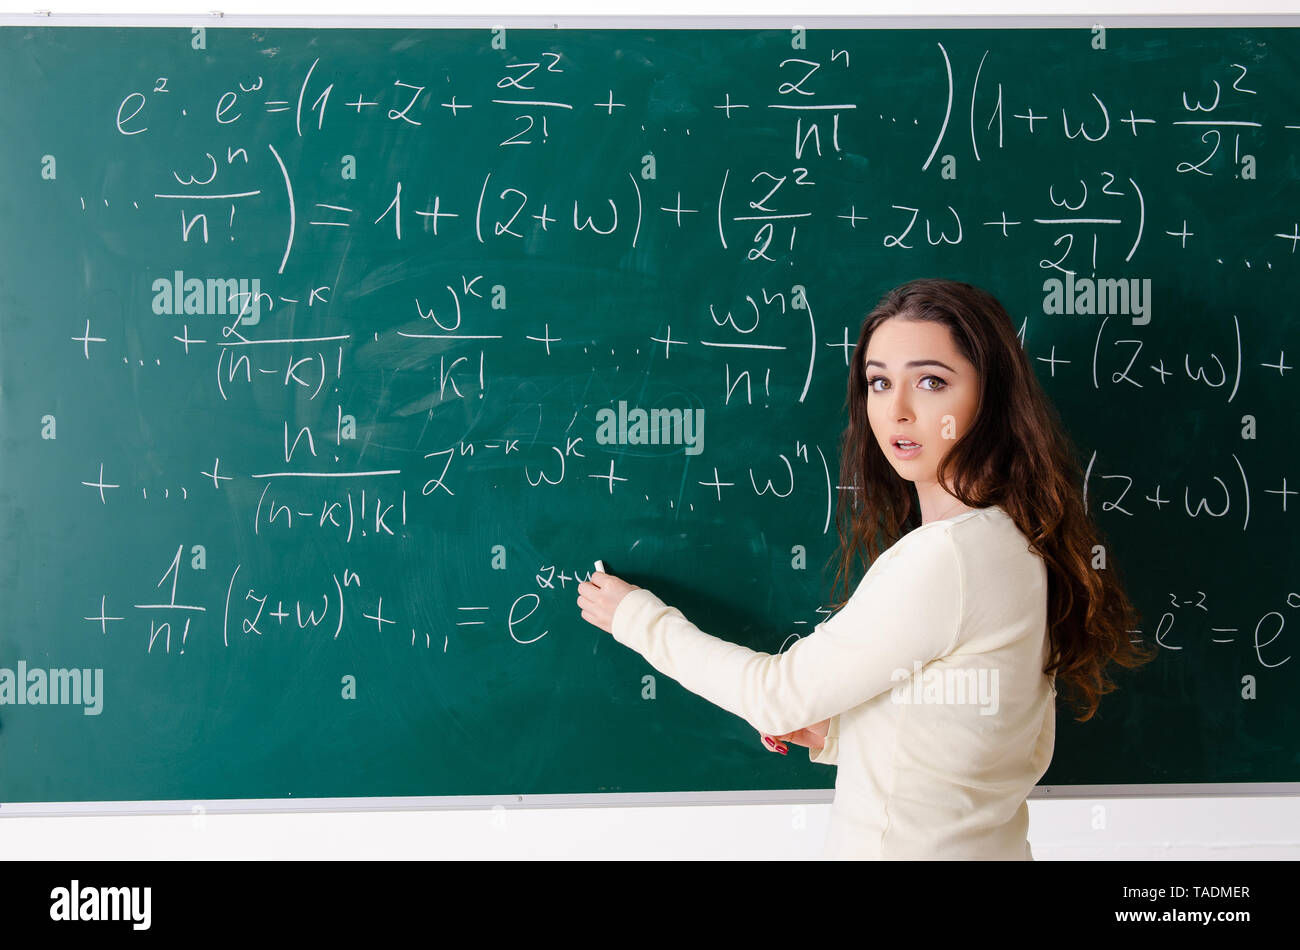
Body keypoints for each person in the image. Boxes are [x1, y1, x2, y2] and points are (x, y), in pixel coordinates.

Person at [576, 277, 1154, 859]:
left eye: (931, 381)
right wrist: (834, 737)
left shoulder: (945, 559)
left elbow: (775, 695)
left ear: (991, 396)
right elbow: (965, 744)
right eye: (879, 382)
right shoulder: (1015, 544)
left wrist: (634, 616)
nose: (897, 411)